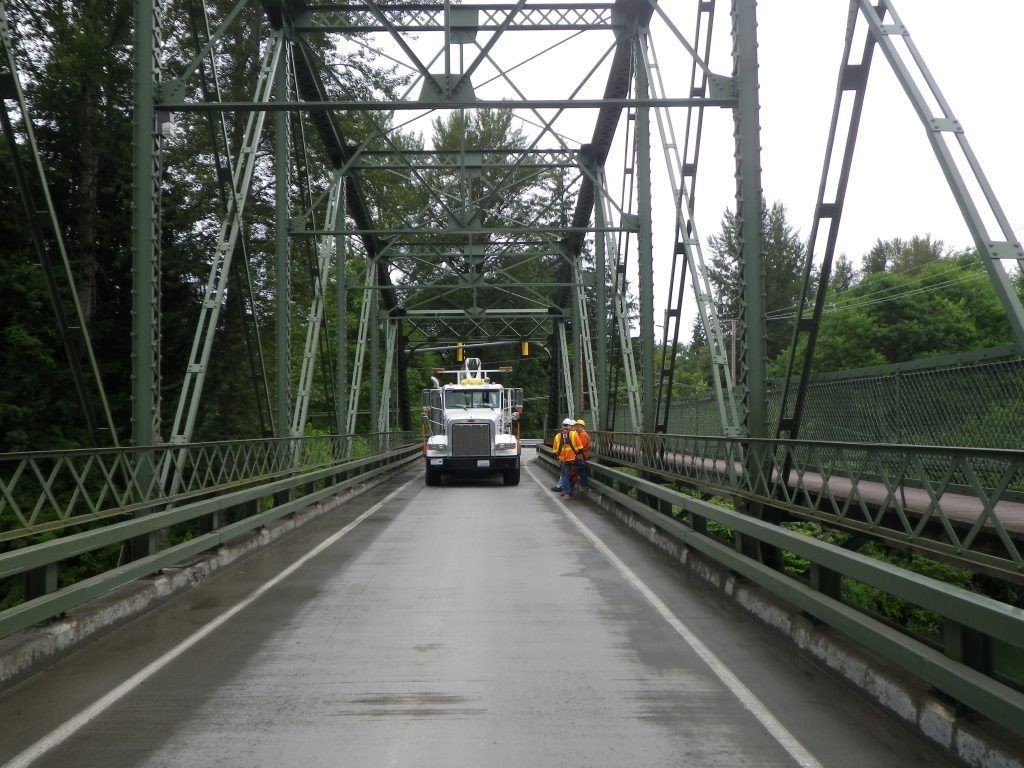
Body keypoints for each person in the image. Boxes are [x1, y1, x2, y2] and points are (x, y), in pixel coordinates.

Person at [552, 417, 585, 499]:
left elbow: (555, 450)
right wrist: (580, 455)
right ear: (570, 426)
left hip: (563, 460)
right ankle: (584, 484)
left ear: (562, 426)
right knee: (583, 467)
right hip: (573, 459)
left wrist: (559, 457)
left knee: (565, 476)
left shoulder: (557, 436)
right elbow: (580, 447)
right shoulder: (574, 434)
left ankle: (565, 493)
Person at [572, 418, 590, 488]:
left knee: (580, 470)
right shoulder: (579, 434)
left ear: (582, 427)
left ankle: (583, 485)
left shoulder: (583, 435)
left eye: (578, 426)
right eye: (576, 426)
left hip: (582, 456)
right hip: (580, 456)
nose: (576, 428)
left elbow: (580, 447)